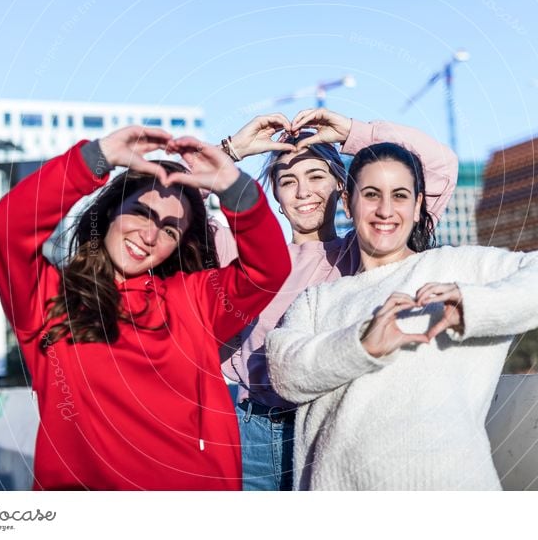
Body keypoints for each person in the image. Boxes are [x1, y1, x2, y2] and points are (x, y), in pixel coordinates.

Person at [266, 142, 538, 490]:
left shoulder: (457, 267)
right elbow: (285, 371)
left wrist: (473, 305)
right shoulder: (319, 299)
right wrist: (362, 345)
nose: (386, 210)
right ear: (347, 202)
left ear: (419, 205)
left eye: (401, 195)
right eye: (372, 194)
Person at [0, 125, 291, 490]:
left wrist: (233, 186)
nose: (149, 236)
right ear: (112, 211)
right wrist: (95, 158)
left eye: (169, 231)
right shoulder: (49, 298)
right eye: (141, 213)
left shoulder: (195, 298)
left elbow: (268, 270)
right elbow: (7, 227)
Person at [172, 108, 458, 490]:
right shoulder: (235, 250)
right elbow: (167, 202)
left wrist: (353, 132)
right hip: (247, 431)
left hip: (328, 426)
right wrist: (231, 151)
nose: (303, 192)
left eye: (316, 176)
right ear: (274, 193)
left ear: (342, 188)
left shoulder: (366, 249)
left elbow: (441, 170)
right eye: (287, 181)